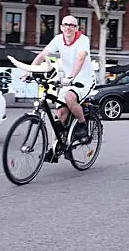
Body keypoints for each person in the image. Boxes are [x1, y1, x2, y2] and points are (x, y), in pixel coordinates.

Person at [27, 15, 96, 162]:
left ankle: (82, 124)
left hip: (84, 79)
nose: (68, 27)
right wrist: (30, 70)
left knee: (69, 98)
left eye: (72, 25)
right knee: (60, 113)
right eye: (66, 24)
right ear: (61, 27)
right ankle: (55, 148)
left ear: (77, 28)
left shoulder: (83, 40)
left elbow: (81, 58)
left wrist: (71, 77)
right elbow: (43, 54)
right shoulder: (58, 39)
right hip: (67, 80)